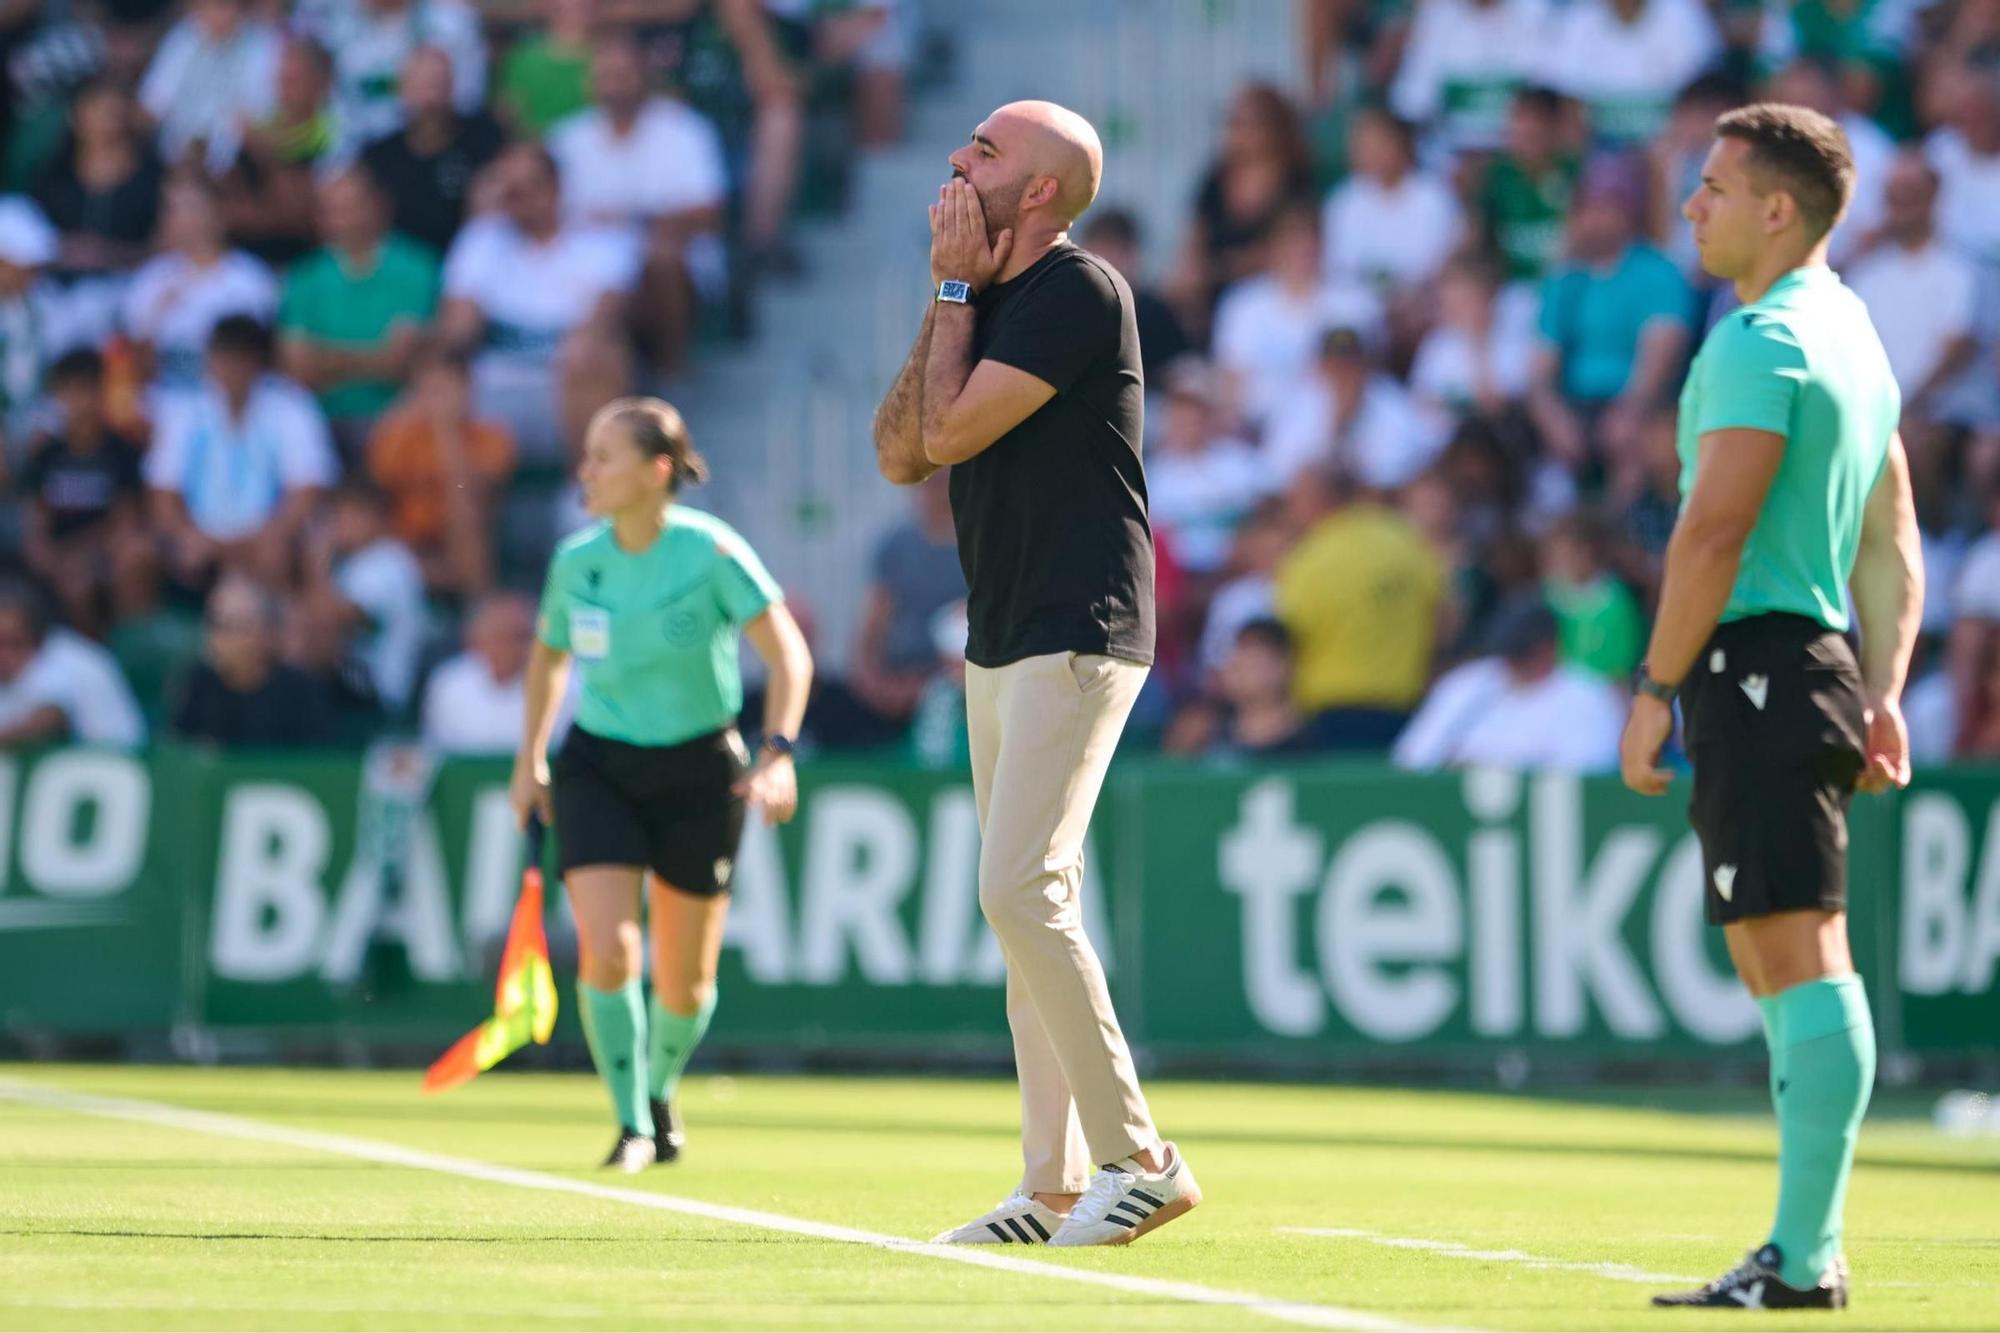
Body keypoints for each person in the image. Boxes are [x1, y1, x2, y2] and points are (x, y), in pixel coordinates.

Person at [872, 99, 1200, 1247]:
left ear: (1044, 194)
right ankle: (1051, 1184)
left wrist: (956, 294)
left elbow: (949, 433)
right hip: (1003, 628)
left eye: (987, 152)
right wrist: (948, 290)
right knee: (1022, 910)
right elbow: (895, 448)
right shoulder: (984, 295)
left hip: (1078, 621)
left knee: (1021, 891)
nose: (959, 159)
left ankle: (1140, 1160)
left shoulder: (1077, 291)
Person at [1621, 103, 1921, 1310]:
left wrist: (1651, 689)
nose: (1689, 205)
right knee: (1777, 960)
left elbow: (1712, 527)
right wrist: (1883, 689)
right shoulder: (1850, 333)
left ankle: (1803, 1258)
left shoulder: (1760, 339)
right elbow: (1891, 542)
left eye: (1709, 186)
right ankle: (1801, 1250)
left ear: (1774, 209)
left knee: (1794, 959)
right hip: (1811, 662)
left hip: (1754, 663)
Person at [510, 397, 812, 1172]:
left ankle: (658, 1089)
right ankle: (630, 1124)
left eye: (602, 457)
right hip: (598, 765)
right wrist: (531, 755)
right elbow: (548, 657)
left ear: (656, 471)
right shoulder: (577, 560)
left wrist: (775, 753)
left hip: (701, 770)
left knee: (686, 984)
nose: (586, 471)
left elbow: (789, 656)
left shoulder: (711, 552)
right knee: (608, 953)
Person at [439, 142, 635, 462]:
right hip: (497, 381)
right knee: (440, 378)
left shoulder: (600, 240)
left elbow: (606, 314)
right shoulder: (481, 240)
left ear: (555, 187)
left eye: (529, 186)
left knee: (596, 355)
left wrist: (582, 341)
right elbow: (458, 330)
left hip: (568, 377)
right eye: (510, 188)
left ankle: (588, 495)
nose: (520, 197)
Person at [548, 34, 728, 374]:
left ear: (645, 76)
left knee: (661, 257)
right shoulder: (567, 138)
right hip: (587, 260)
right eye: (606, 74)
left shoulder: (684, 129)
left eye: (624, 74)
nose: (615, 84)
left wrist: (630, 220)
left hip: (665, 259)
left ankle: (670, 369)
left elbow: (709, 213)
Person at [146, 315, 338, 590]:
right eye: (223, 359)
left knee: (275, 553)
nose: (231, 370)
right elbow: (163, 494)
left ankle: (278, 628)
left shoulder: (291, 406)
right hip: (200, 536)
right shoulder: (184, 410)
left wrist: (267, 535)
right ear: (210, 360)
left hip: (267, 537)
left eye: (239, 360)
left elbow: (306, 493)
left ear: (258, 362)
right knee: (159, 553)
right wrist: (186, 533)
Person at [278, 165, 439, 447]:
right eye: (331, 209)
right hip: (319, 422)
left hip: (396, 421)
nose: (342, 219)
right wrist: (372, 357)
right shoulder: (304, 277)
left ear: (378, 206)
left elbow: (399, 363)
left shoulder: (417, 268)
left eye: (351, 206)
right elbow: (298, 369)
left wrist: (327, 358)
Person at [1394, 593, 1624, 771]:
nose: (1512, 664)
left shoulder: (1587, 695)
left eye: (1523, 654)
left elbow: (1591, 770)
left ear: (1549, 648)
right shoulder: (1467, 684)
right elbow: (1413, 758)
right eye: (1509, 654)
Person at [18, 348, 155, 637]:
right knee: (70, 581)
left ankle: (124, 646)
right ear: (57, 397)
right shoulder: (45, 455)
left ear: (101, 393)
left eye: (86, 391)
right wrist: (52, 560)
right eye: (69, 392)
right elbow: (35, 525)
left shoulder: (121, 452)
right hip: (58, 558)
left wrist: (80, 557)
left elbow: (125, 523)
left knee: (122, 559)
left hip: (102, 554)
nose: (79, 402)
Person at [365, 344, 516, 596]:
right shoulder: (400, 432)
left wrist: (446, 432)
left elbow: (472, 495)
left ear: (467, 389)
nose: (439, 400)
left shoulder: (492, 437)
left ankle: (477, 608)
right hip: (404, 546)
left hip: (460, 545)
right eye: (431, 390)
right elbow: (379, 483)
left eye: (447, 389)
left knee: (466, 517)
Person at [359, 47, 507, 256]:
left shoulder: (485, 138)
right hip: (405, 270)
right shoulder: (378, 157)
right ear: (402, 90)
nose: (431, 98)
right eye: (422, 87)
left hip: (472, 261)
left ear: (452, 87)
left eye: (439, 85)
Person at [848, 470, 965, 733]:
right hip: (897, 685)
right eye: (929, 483)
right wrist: (876, 684)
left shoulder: (980, 548)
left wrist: (936, 684)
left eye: (943, 483)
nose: (936, 493)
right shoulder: (896, 548)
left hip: (958, 689)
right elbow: (869, 628)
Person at [171, 573, 335, 748]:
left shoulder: (301, 691)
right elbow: (175, 748)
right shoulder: (199, 683)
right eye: (213, 624)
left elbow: (319, 762)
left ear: (265, 634)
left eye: (228, 626)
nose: (216, 637)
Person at [421, 591, 541, 754]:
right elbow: (436, 754)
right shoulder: (448, 684)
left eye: (519, 636)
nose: (509, 646)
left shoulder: (566, 686)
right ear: (475, 640)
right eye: (498, 636)